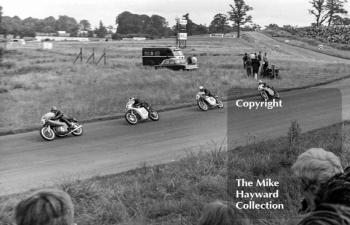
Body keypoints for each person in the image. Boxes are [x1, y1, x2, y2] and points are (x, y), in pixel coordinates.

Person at [292, 148, 344, 213]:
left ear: (314, 189)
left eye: (302, 182)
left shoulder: (320, 219)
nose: (302, 190)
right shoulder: (342, 210)